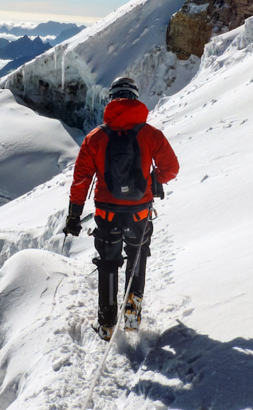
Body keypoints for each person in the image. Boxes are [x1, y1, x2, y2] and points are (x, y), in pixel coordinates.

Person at [63, 76, 180, 340]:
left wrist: (74, 215)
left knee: (108, 262)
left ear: (112, 100)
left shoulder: (95, 138)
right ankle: (131, 315)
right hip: (139, 210)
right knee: (137, 256)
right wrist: (153, 180)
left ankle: (106, 325)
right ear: (135, 99)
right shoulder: (151, 135)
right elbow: (171, 168)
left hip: (107, 212)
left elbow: (81, 180)